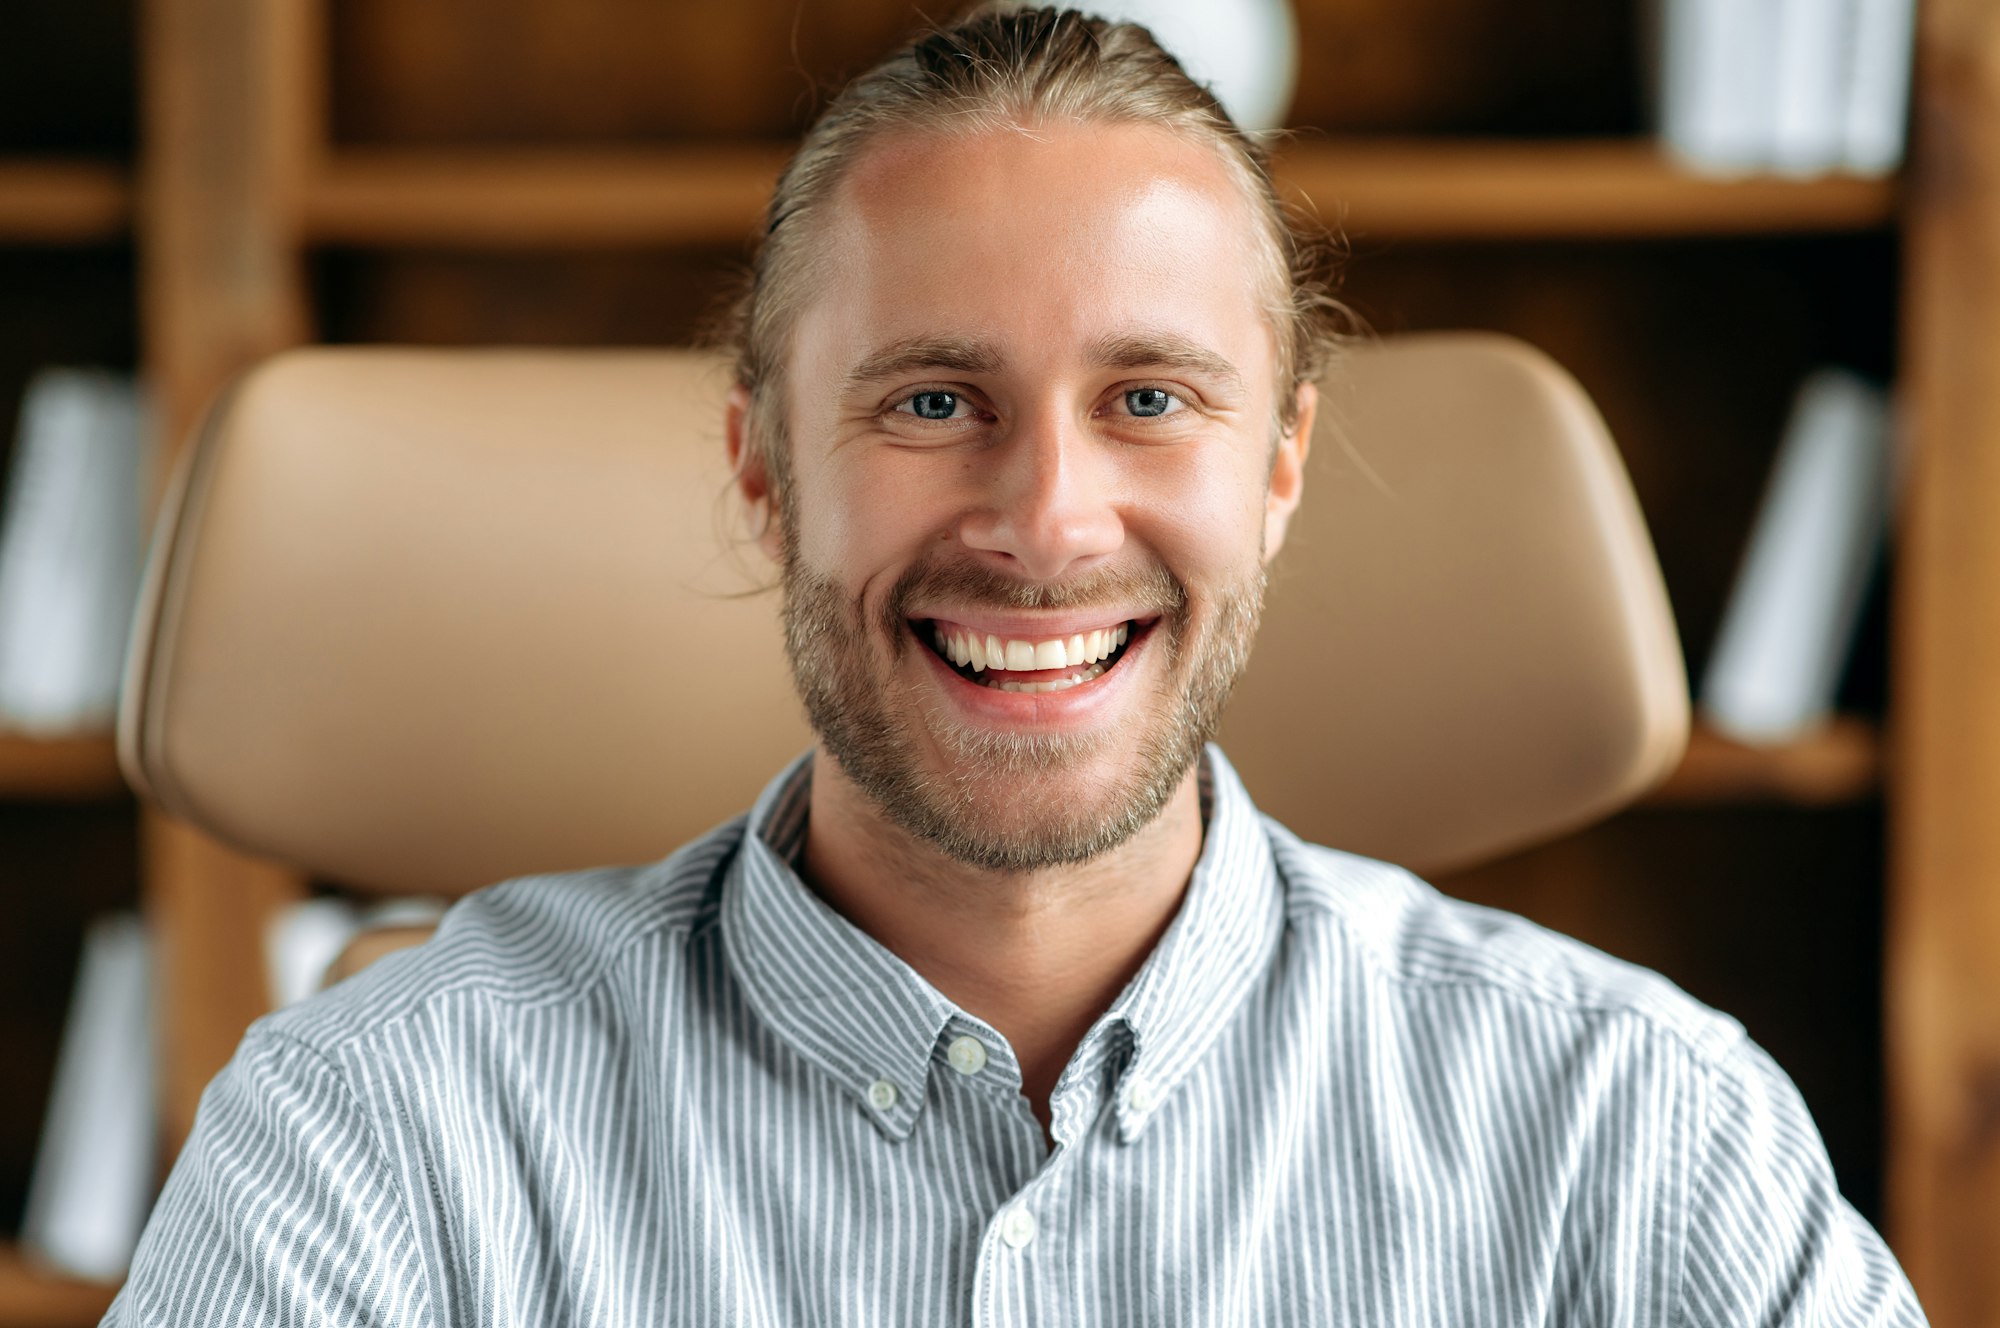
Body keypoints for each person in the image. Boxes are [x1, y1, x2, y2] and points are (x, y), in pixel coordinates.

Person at [108, 7, 1926, 1324]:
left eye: (1149, 400)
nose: (1047, 521)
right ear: (763, 470)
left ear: (1278, 470)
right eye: (929, 400)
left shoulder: (1633, 1134)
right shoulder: (379, 1133)